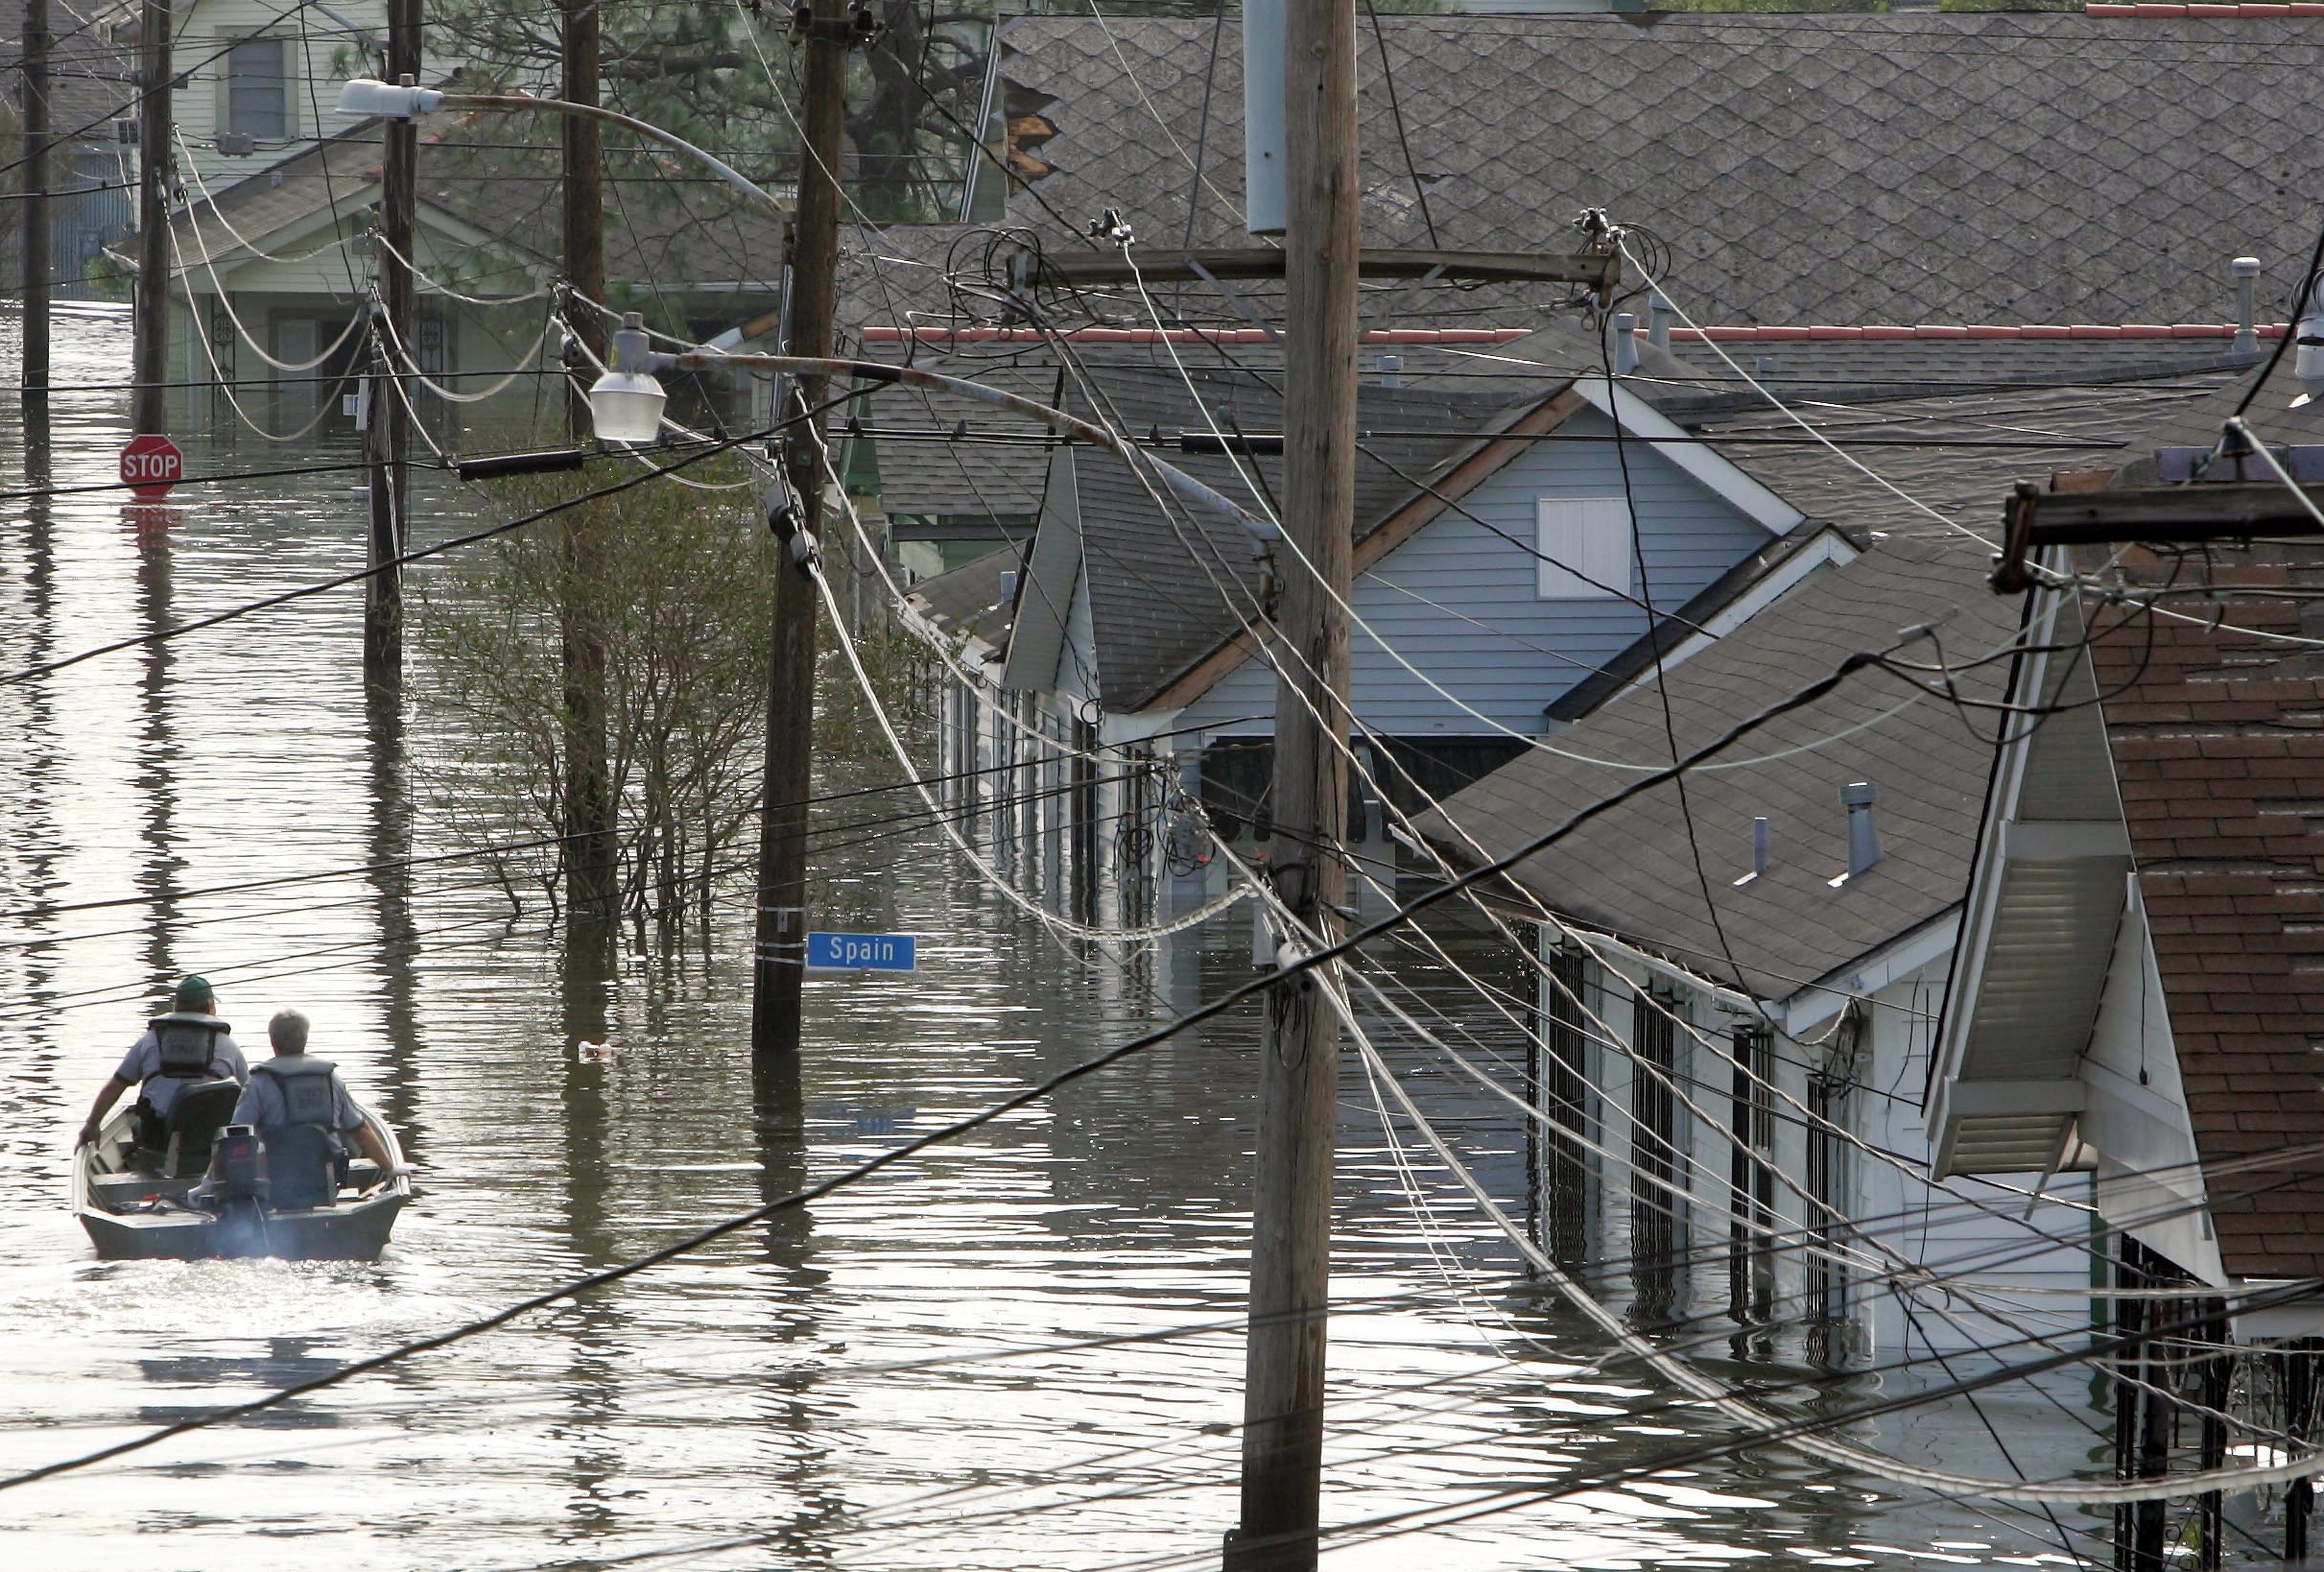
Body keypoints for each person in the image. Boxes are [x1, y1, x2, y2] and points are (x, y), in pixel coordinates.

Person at [231, 1010, 394, 1208]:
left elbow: (236, 1136)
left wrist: (214, 1185)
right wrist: (390, 1169)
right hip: (326, 1178)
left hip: (276, 1179)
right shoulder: (332, 1079)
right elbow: (361, 1131)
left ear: (273, 1041)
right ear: (305, 1039)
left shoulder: (257, 1083)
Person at [77, 976, 248, 1151]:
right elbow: (250, 1094)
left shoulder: (149, 1041)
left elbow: (115, 1086)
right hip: (209, 1140)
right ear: (209, 1007)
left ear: (176, 1006)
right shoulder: (228, 1046)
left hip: (157, 1139)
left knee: (137, 1127)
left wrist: (92, 1124)